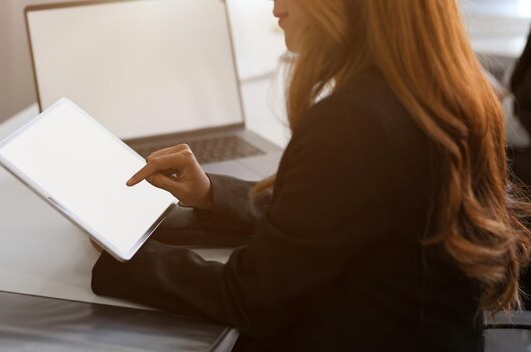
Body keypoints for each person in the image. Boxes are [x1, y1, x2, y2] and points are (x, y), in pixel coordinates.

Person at [90, 0, 531, 351]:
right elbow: (333, 215)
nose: (275, 6)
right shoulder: (450, 90)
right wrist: (211, 194)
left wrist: (123, 257)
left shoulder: (357, 119)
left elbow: (251, 298)